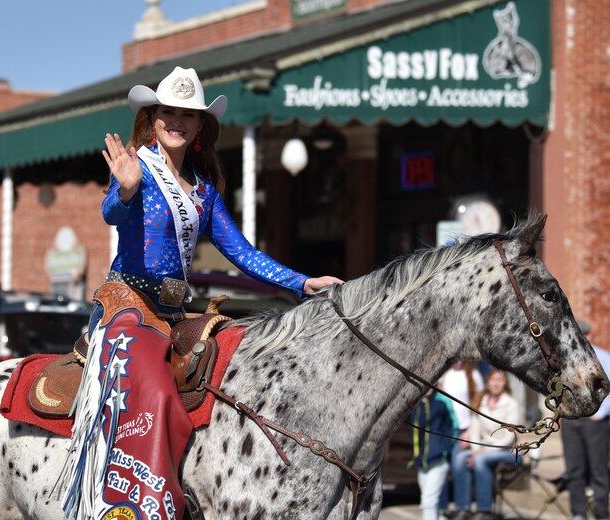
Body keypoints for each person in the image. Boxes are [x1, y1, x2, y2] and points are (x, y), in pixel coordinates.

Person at [62, 66, 343, 520]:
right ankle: (131, 503)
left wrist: (302, 282)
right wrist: (126, 190)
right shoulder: (139, 168)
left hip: (175, 313)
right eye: (168, 112)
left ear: (199, 128)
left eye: (187, 115)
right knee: (152, 389)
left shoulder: (204, 191)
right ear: (153, 119)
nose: (176, 121)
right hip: (127, 305)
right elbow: (111, 212)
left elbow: (243, 253)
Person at [452, 369, 521, 520]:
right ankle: (462, 507)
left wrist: (483, 452)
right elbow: (475, 430)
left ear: (505, 384)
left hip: (506, 451)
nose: (496, 383)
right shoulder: (481, 402)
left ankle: (484, 509)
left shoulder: (511, 404)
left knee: (479, 460)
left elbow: (509, 438)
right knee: (459, 458)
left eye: (500, 380)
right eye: (493, 380)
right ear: (488, 382)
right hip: (482, 449)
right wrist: (476, 449)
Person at [561, 320, 610, 520]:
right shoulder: (566, 358)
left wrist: (602, 413)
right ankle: (578, 513)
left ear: (589, 336)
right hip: (572, 420)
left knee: (598, 469)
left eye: (584, 335)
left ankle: (601, 512)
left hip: (594, 422)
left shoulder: (604, 357)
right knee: (574, 468)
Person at [408, 388, 459, 520]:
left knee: (428, 502)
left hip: (438, 462)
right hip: (422, 464)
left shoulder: (441, 402)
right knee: (432, 504)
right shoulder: (416, 404)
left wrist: (444, 448)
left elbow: (453, 426)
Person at [443, 362, 485, 511]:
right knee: (442, 468)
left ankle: (462, 507)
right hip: (446, 429)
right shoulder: (445, 374)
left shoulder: (473, 375)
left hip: (464, 429)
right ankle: (442, 508)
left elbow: (478, 406)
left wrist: (470, 431)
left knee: (458, 465)